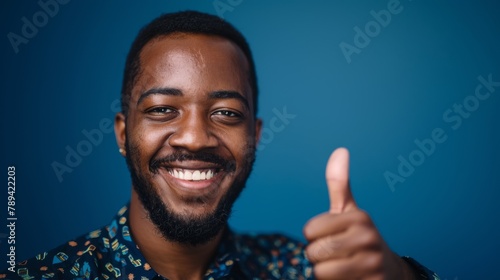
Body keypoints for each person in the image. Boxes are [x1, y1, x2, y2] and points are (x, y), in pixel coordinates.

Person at [1, 11, 439, 280]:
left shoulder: (305, 270)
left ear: (255, 136)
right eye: (162, 110)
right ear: (121, 133)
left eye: (226, 113)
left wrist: (399, 277)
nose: (194, 137)